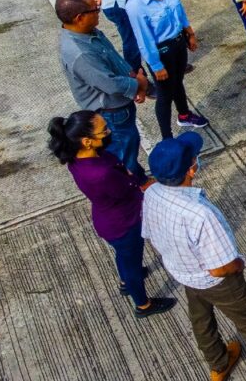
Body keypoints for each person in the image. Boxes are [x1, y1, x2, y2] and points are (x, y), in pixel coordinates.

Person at [142, 132, 246, 381]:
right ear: (191, 170)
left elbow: (149, 232)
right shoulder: (201, 213)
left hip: (184, 273)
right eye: (194, 158)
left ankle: (218, 364)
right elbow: (220, 268)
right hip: (217, 282)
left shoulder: (152, 193)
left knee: (201, 320)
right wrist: (239, 264)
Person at [47, 110, 176, 318]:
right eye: (103, 130)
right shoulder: (101, 173)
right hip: (124, 224)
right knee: (132, 263)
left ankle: (126, 282)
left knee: (125, 258)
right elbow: (127, 187)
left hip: (108, 219)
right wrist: (131, 178)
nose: (108, 132)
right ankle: (143, 304)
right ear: (87, 141)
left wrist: (127, 175)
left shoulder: (78, 159)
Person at [56, 0, 150, 180]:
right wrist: (137, 83)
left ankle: (137, 177)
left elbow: (112, 59)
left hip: (120, 103)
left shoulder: (88, 32)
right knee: (124, 150)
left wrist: (134, 82)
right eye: (95, 9)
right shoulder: (80, 53)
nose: (99, 11)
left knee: (129, 145)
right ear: (80, 17)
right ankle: (136, 183)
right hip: (111, 111)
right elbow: (110, 84)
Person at [125, 0, 208, 139]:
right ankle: (167, 137)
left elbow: (180, 11)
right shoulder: (136, 6)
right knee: (164, 94)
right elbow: (144, 40)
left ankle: (184, 115)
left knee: (178, 82)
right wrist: (156, 65)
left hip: (178, 43)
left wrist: (190, 33)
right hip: (162, 53)